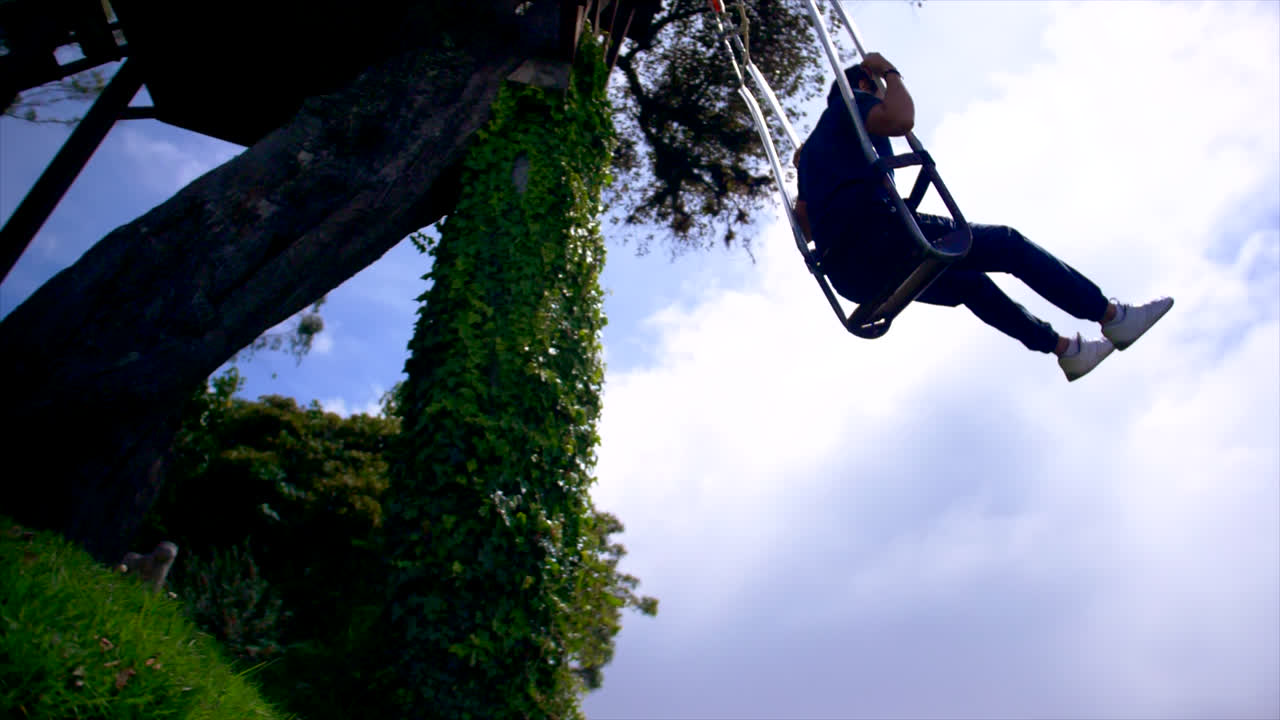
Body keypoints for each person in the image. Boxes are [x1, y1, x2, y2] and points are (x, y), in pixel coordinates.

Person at [794, 52, 1173, 381]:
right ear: (864, 86)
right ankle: (1110, 316)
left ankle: (1066, 351)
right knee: (1007, 244)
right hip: (880, 237)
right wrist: (889, 72)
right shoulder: (850, 102)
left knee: (968, 285)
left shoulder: (811, 154)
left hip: (852, 277)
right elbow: (900, 119)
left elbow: (807, 227)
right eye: (876, 90)